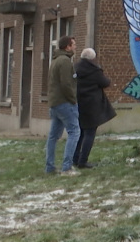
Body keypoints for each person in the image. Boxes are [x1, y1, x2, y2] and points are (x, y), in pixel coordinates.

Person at [73, 48, 117, 168]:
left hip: (79, 103)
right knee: (90, 133)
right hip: (92, 105)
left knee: (80, 132)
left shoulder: (75, 68)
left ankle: (75, 158)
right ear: (92, 58)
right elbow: (105, 82)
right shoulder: (94, 70)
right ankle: (83, 161)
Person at [45, 35, 81, 176]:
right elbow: (66, 84)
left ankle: (50, 167)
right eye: (74, 44)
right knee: (74, 132)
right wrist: (73, 99)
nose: (75, 47)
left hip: (54, 103)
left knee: (53, 136)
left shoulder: (55, 60)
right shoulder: (65, 61)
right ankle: (67, 167)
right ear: (67, 47)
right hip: (65, 103)